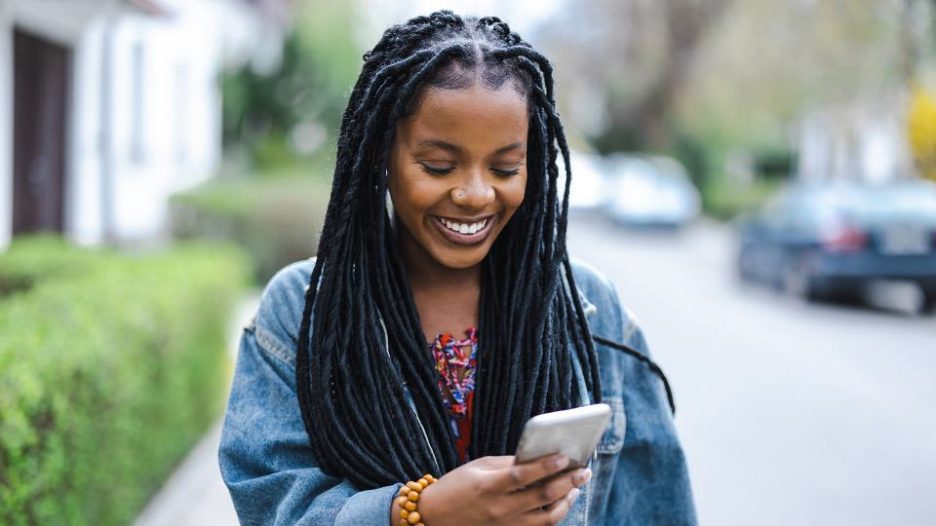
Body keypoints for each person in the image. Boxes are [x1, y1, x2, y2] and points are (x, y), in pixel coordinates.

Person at [219, 11, 696, 526]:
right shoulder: (302, 312)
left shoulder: (590, 312)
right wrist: (421, 512)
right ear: (382, 154)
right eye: (439, 166)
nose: (475, 194)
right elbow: (274, 509)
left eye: (505, 168)